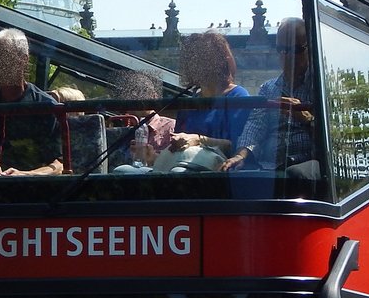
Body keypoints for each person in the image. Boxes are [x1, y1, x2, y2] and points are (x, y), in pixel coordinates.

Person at [221, 17, 320, 180]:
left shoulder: (319, 89)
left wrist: (307, 120)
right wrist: (241, 155)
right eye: (281, 49)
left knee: (297, 175)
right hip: (269, 167)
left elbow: (335, 142)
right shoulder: (268, 88)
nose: (286, 55)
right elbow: (254, 126)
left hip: (307, 166)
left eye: (295, 49)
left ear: (310, 48)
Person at [0, 28, 64, 176]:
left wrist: (26, 175)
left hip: (32, 191)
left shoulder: (46, 106)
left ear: (24, 59)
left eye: (5, 57)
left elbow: (59, 165)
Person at [167, 30, 251, 161]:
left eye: (203, 60)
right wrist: (151, 156)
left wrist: (199, 140)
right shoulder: (188, 103)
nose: (196, 65)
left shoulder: (238, 97)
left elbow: (237, 145)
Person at [109, 69, 175, 173]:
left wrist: (153, 158)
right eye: (131, 92)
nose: (136, 96)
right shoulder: (120, 130)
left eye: (143, 91)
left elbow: (178, 164)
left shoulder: (171, 127)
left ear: (154, 96)